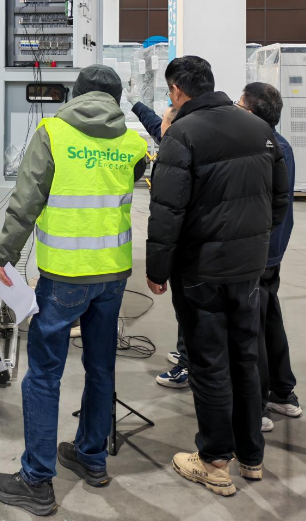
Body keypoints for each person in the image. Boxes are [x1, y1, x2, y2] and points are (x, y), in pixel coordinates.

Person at [0, 65, 147, 516]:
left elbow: (25, 202)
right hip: (113, 274)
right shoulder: (132, 142)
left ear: (76, 94)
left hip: (64, 276)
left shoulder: (52, 132)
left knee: (44, 374)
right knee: (101, 368)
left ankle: (37, 479)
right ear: (115, 99)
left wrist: (4, 255)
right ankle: (91, 457)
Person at [146, 56, 289, 497]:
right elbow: (279, 199)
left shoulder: (181, 135)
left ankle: (213, 461)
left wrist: (157, 270)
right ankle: (252, 457)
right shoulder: (259, 130)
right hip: (248, 269)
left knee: (209, 364)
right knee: (244, 359)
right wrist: (256, 247)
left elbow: (167, 212)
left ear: (176, 92)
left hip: (201, 272)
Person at [238, 82, 300, 431]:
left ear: (249, 112)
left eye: (238, 104)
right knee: (270, 316)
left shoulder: (260, 149)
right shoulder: (282, 145)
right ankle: (283, 391)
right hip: (274, 249)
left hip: (257, 250)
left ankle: (258, 405)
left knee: (252, 327)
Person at [126, 90, 190, 390]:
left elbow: (166, 217)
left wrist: (157, 271)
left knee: (191, 309)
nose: (158, 130)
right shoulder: (178, 137)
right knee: (186, 308)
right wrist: (135, 103)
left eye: (165, 123)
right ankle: (186, 350)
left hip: (188, 249)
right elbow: (155, 123)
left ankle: (189, 364)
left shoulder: (179, 151)